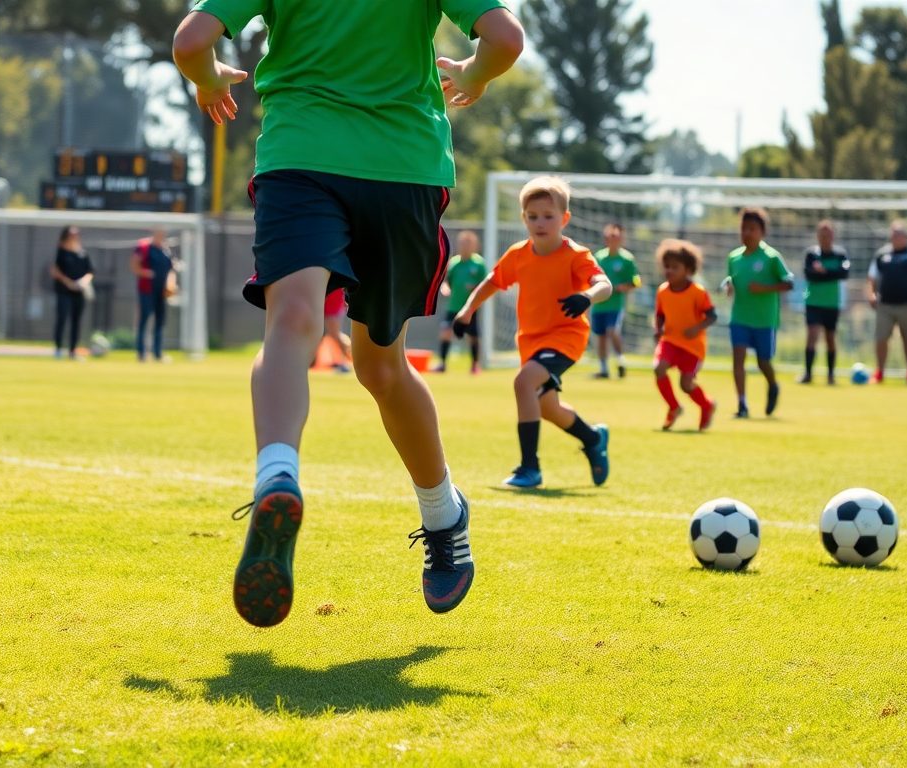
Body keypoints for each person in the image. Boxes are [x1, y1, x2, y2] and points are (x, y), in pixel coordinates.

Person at [173, 0, 523, 626]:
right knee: (382, 368)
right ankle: (442, 518)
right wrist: (473, 74)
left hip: (299, 158)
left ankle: (277, 475)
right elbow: (505, 38)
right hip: (403, 169)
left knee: (293, 323)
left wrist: (206, 79)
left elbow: (190, 42)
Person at [455, 177, 612, 490]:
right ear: (523, 218)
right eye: (533, 216)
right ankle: (593, 437)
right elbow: (492, 281)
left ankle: (530, 468)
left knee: (523, 382)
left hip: (566, 338)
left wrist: (587, 296)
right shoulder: (518, 254)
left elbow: (604, 284)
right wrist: (467, 310)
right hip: (532, 341)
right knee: (547, 408)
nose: (540, 223)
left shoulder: (576, 255)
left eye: (548, 216)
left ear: (564, 219)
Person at [723, 208, 793, 419]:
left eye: (752, 229)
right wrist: (728, 286)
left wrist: (764, 288)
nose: (747, 233)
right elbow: (730, 279)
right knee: (738, 359)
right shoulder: (734, 257)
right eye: (744, 228)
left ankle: (773, 385)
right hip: (739, 317)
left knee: (763, 362)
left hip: (764, 320)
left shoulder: (771, 257)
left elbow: (789, 283)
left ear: (762, 232)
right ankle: (742, 404)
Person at [653, 240, 718, 432]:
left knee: (686, 384)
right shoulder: (662, 291)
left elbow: (712, 315)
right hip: (670, 340)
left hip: (692, 345)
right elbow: (660, 314)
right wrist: (658, 329)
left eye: (675, 267)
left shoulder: (698, 292)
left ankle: (706, 405)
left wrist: (698, 327)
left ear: (688, 269)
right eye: (667, 266)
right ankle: (674, 407)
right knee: (659, 368)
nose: (669, 270)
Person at [867, 221, 907, 386]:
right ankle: (879, 372)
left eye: (898, 235)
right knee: (881, 338)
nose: (894, 237)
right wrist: (872, 295)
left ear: (906, 236)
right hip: (885, 305)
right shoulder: (881, 254)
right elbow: (871, 278)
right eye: (892, 234)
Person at [799, 219, 850, 385]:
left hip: (831, 303)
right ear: (817, 236)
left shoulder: (840, 254)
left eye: (828, 235)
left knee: (830, 338)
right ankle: (808, 373)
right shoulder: (811, 254)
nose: (825, 238)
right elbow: (809, 274)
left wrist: (824, 272)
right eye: (822, 235)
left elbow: (844, 273)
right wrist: (829, 274)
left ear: (833, 236)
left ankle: (831, 375)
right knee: (812, 336)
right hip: (813, 301)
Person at [590, 223, 640, 379]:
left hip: (615, 305)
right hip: (599, 305)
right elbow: (590, 277)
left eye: (616, 237)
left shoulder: (626, 259)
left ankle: (620, 361)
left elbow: (636, 280)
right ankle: (603, 369)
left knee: (612, 330)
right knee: (601, 337)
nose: (612, 240)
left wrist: (625, 286)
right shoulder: (598, 257)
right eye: (609, 236)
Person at [433, 230, 487, 374]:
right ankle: (442, 364)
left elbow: (486, 285)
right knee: (445, 332)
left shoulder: (479, 264)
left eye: (468, 243)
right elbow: (447, 281)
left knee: (472, 337)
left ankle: (475, 366)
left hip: (470, 307)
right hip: (453, 306)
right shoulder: (454, 263)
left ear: (475, 246)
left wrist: (474, 288)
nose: (464, 246)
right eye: (462, 243)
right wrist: (445, 288)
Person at [130, 228, 174, 363]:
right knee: (144, 320)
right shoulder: (144, 248)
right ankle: (141, 353)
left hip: (161, 292)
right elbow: (133, 264)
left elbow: (171, 270)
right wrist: (145, 273)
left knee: (160, 321)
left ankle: (158, 353)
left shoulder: (165, 251)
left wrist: (171, 284)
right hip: (147, 290)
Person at [50, 226, 94, 360]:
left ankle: (72, 351)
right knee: (62, 318)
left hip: (79, 292)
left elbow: (90, 271)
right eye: (71, 234)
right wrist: (69, 283)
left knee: (76, 321)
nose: (74, 237)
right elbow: (55, 270)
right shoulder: (61, 253)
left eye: (76, 234)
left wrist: (83, 282)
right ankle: (58, 350)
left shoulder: (83, 254)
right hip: (64, 291)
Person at [321, 289, 353, 372]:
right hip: (330, 297)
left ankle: (348, 358)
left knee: (336, 334)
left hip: (333, 298)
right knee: (335, 335)